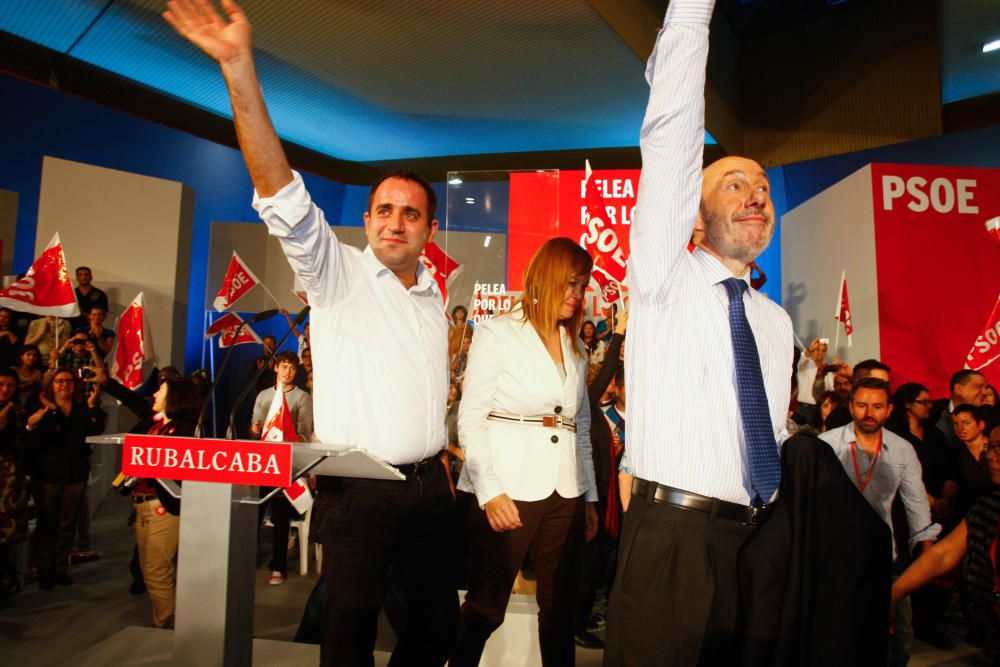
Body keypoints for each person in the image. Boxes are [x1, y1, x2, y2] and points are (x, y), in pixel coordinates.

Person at [163, 2, 458, 664]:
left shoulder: (434, 296)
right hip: (360, 492)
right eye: (383, 209)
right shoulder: (341, 277)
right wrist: (239, 67)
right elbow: (284, 198)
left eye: (411, 214)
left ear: (428, 231)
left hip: (430, 489)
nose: (394, 221)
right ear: (368, 221)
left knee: (440, 628)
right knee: (347, 636)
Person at [603, 1, 794, 664]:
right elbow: (672, 144)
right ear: (693, 215)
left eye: (764, 187)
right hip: (672, 545)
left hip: (757, 544)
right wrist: (693, 13)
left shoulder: (775, 324)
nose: (755, 195)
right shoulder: (664, 281)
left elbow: (765, 431)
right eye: (734, 183)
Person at [452, 237, 599, 666]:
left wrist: (588, 497)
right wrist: (491, 491)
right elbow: (471, 418)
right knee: (485, 607)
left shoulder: (576, 346)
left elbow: (580, 426)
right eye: (571, 283)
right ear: (546, 278)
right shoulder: (499, 331)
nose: (577, 295)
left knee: (560, 610)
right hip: (508, 487)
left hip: (566, 491)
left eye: (582, 286)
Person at [819, 377, 940, 665]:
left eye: (876, 406)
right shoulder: (827, 445)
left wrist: (925, 548)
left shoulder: (902, 449)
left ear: (889, 409)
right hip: (835, 558)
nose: (868, 413)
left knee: (899, 637)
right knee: (836, 634)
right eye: (861, 405)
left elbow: (916, 503)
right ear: (851, 407)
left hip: (887, 558)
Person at [98, 364, 200, 628]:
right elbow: (134, 404)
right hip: (141, 506)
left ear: (174, 399)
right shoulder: (153, 424)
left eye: (161, 391)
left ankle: (166, 628)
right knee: (148, 570)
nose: (155, 394)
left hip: (163, 508)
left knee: (157, 571)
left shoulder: (185, 431)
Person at [891, 420, 1000, 645]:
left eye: (997, 448)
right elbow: (945, 554)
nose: (989, 455)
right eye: (990, 447)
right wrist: (894, 593)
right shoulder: (989, 506)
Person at [24, 367, 106, 589]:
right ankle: (44, 570)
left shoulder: (82, 407)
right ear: (51, 384)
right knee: (47, 522)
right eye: (59, 381)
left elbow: (96, 429)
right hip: (47, 472)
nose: (64, 385)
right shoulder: (40, 407)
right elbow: (33, 439)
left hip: (75, 471)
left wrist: (91, 406)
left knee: (67, 523)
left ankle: (60, 568)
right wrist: (35, 423)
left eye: (69, 381)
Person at [250, 350, 313, 585]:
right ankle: (247, 557)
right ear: (276, 367)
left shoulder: (302, 398)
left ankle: (279, 565)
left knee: (280, 516)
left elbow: (305, 433)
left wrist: (289, 436)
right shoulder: (264, 396)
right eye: (284, 366)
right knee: (251, 510)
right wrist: (255, 430)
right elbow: (253, 429)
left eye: (293, 368)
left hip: (288, 466)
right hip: (263, 463)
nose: (288, 371)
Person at [0, 369, 25, 606]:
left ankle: (5, 585)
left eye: (10, 385)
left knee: (6, 534)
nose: (6, 390)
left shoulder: (17, 411)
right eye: (2, 385)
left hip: (9, 479)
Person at [932, 370, 990, 449]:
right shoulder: (931, 411)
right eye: (978, 387)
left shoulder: (992, 416)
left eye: (986, 388)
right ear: (958, 388)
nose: (985, 392)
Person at [12, 345, 42, 411]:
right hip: (14, 401)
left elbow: (39, 390)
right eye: (28, 354)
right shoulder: (14, 370)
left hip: (32, 404)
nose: (32, 358)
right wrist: (30, 384)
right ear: (21, 356)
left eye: (35, 355)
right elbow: (11, 388)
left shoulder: (37, 372)